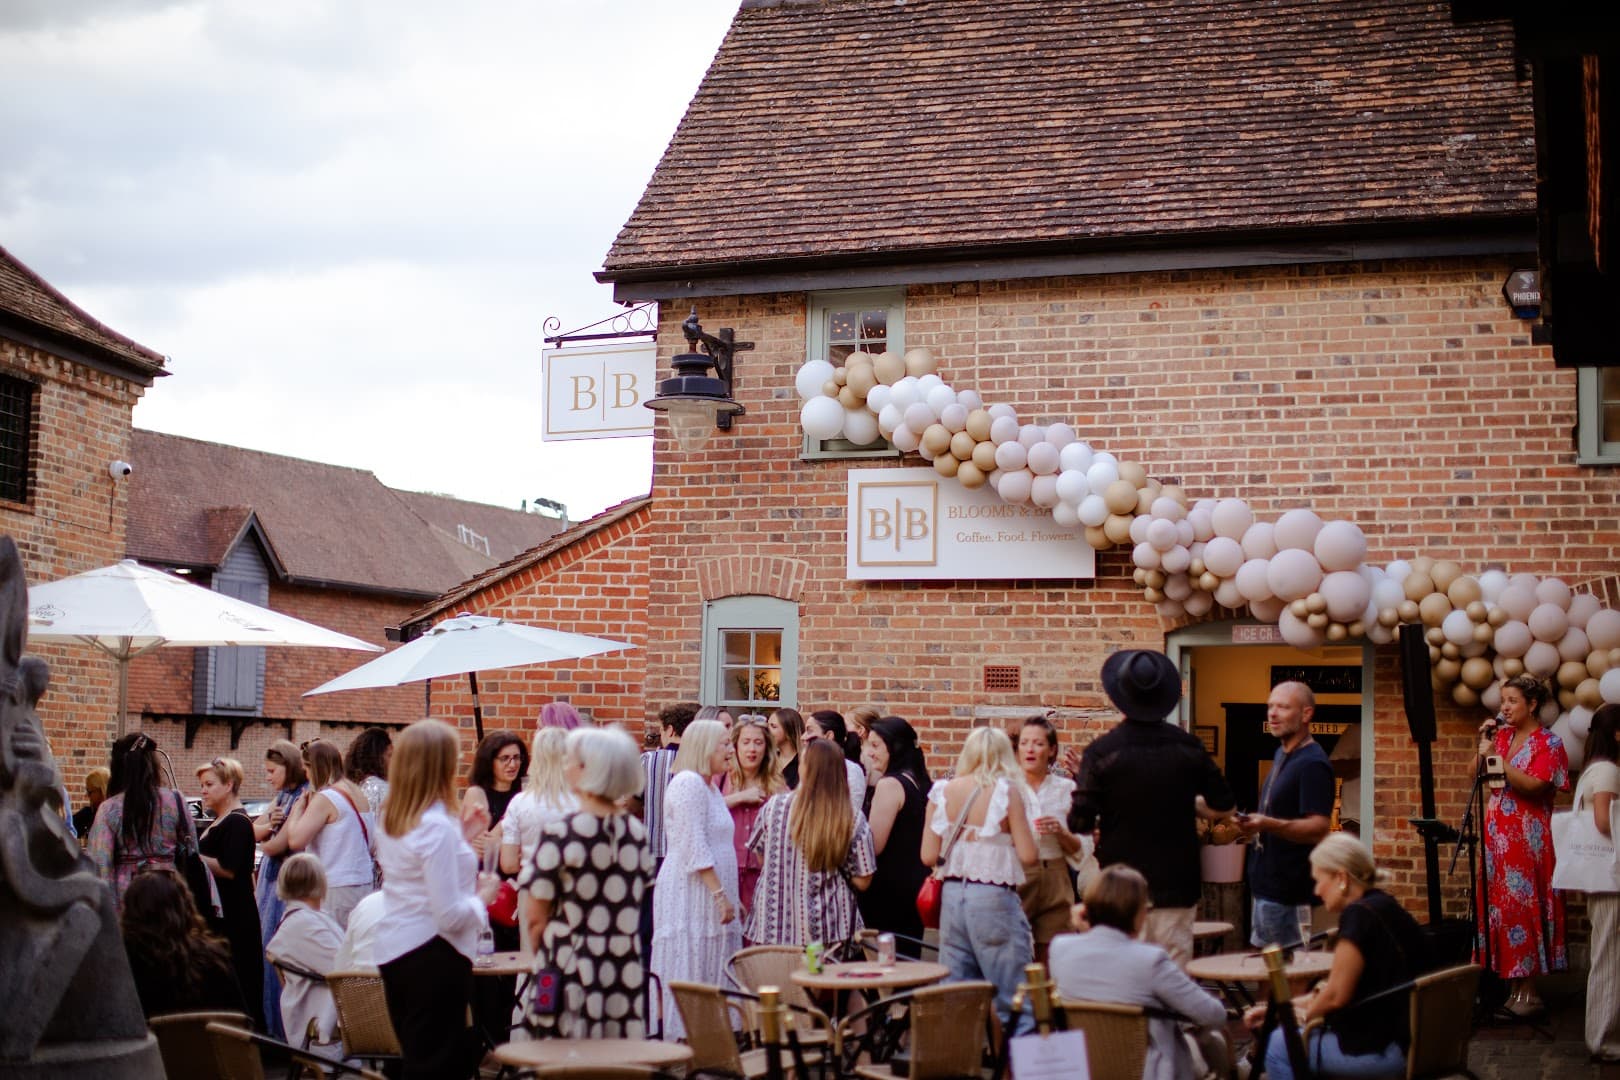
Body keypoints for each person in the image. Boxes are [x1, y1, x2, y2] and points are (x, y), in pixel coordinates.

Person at [1072, 650, 1236, 965]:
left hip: (1119, 887)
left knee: (1123, 980)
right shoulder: (1188, 747)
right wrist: (1188, 803)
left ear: (1120, 697)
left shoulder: (1101, 753)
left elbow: (1079, 820)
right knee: (1172, 977)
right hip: (1176, 883)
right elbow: (1224, 802)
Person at [1246, 833, 1433, 1080]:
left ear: (1342, 878)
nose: (1316, 891)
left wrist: (1292, 1017)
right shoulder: (1384, 905)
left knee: (1279, 1044)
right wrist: (1280, 1010)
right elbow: (1340, 991)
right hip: (1415, 1044)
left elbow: (1335, 996)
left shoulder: (1358, 916)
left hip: (1384, 1053)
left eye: (1318, 880)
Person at [373, 719, 500, 1080]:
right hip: (434, 954)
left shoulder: (394, 818)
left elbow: (417, 870)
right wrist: (482, 898)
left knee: (418, 1055)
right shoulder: (435, 826)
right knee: (439, 1065)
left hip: (398, 950)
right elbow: (448, 914)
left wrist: (463, 834)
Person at [517, 725, 653, 1039]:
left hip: (568, 966)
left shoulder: (561, 833)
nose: (564, 767)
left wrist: (547, 958)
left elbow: (535, 918)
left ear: (589, 770)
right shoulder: (636, 834)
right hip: (622, 968)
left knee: (559, 1058)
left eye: (571, 761)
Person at [1050, 866, 1228, 1080]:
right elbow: (1214, 1015)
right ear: (1138, 913)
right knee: (1215, 1040)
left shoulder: (1060, 949)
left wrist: (1087, 926)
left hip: (1084, 1069)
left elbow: (1102, 955)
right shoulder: (1150, 961)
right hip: (1145, 1071)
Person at [923, 725, 1039, 1035]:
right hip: (993, 897)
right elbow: (1029, 856)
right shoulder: (1006, 791)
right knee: (1016, 1001)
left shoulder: (942, 791)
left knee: (957, 998)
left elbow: (927, 855)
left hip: (951, 897)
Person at [1476, 673, 1569, 1015]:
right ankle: (1511, 986)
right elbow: (1479, 775)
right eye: (1503, 701)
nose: (1505, 707)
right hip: (1496, 835)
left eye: (1512, 701)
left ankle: (1529, 991)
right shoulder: (1501, 738)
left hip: (1527, 837)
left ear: (1532, 705)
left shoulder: (1549, 743)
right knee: (1501, 907)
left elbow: (1534, 785)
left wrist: (1499, 762)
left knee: (1523, 906)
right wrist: (1483, 745)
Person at [650, 718, 740, 1040]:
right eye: (725, 744)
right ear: (704, 747)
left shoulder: (709, 786)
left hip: (709, 888)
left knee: (710, 960)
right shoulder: (687, 783)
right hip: (692, 890)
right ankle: (686, 1037)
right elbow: (694, 843)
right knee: (692, 957)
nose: (731, 750)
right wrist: (719, 894)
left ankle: (711, 1038)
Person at [745, 739, 876, 947]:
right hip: (829, 928)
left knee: (776, 979)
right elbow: (863, 879)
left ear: (804, 769)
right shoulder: (851, 817)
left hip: (773, 926)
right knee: (823, 979)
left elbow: (761, 855)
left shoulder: (774, 807)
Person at [1238, 680, 1334, 949]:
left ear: (1306, 714)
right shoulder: (1281, 753)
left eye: (1283, 707)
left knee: (1289, 974)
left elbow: (1318, 827)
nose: (1272, 713)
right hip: (1266, 886)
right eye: (1270, 706)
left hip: (1291, 892)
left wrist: (1267, 824)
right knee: (1267, 972)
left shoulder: (1313, 763)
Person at [87, 731, 198, 913]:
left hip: (127, 896)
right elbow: (192, 848)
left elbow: (100, 864)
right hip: (169, 893)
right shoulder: (175, 800)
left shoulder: (110, 809)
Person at [121, 867, 246, 1020]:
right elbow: (240, 1020)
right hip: (207, 1042)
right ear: (185, 907)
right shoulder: (214, 961)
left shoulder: (122, 965)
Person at [195, 756, 265, 1028]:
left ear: (229, 785)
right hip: (226, 913)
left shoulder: (237, 822)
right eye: (202, 785)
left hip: (235, 915)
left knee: (239, 979)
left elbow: (231, 868)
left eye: (209, 784)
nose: (203, 790)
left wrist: (195, 857)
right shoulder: (222, 820)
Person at [858, 715, 931, 955]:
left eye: (876, 745)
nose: (870, 752)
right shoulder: (919, 782)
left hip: (889, 892)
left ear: (895, 747)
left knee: (886, 965)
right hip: (913, 886)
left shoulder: (890, 785)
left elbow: (874, 845)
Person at [254, 738, 310, 1040]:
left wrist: (265, 834)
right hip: (269, 879)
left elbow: (277, 844)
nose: (267, 777)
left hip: (284, 883)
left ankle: (281, 1030)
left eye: (271, 771)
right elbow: (254, 828)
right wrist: (267, 825)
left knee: (275, 950)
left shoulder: (301, 796)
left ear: (288, 768)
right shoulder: (281, 799)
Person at [285, 740, 376, 928]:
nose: (307, 775)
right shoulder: (357, 793)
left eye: (307, 770)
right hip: (363, 882)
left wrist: (297, 810)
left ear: (315, 767)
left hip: (334, 886)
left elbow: (295, 840)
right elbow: (373, 844)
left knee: (330, 949)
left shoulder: (326, 798)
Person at [1016, 716, 1083, 964]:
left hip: (1055, 872)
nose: (1030, 749)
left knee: (1052, 955)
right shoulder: (1007, 787)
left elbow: (1079, 850)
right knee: (1015, 953)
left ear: (1052, 749)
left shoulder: (1065, 789)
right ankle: (1018, 1004)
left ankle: (1048, 1003)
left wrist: (1060, 832)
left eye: (1038, 743)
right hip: (1017, 873)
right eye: (1024, 743)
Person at [633, 701, 696, 957]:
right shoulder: (698, 764)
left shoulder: (648, 760)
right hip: (687, 855)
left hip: (653, 849)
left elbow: (634, 799)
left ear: (669, 730)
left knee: (649, 923)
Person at [265, 852, 344, 1054]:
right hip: (328, 1017)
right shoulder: (306, 925)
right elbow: (344, 968)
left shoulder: (304, 920)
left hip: (327, 1008)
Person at [1578, 703, 1620, 1060]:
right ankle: (1603, 1042)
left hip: (1603, 877)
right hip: (1610, 877)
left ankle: (1604, 1036)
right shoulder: (1608, 771)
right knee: (1608, 956)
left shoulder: (1595, 767)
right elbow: (1606, 823)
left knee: (1606, 953)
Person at [719, 714, 784, 920]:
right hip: (725, 872)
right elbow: (702, 810)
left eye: (758, 743)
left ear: (767, 748)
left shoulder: (777, 786)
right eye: (746, 742)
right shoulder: (720, 778)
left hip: (762, 876)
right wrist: (738, 798)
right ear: (735, 746)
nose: (752, 749)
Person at [500, 726, 578, 876]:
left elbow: (508, 865)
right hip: (573, 889)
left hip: (531, 886)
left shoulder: (519, 802)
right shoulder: (583, 803)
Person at [462, 730, 530, 867]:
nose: (513, 765)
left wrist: (498, 842)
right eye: (504, 758)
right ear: (489, 761)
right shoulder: (477, 794)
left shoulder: (525, 794)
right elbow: (482, 850)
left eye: (517, 757)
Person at [806, 710, 867, 814]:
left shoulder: (851, 770)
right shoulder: (809, 764)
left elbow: (852, 813)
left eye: (810, 731)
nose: (804, 737)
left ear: (829, 735)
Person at [335, 889, 387, 973]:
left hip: (362, 981)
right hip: (365, 981)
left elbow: (341, 966)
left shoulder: (370, 902)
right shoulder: (370, 902)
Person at [345, 727, 392, 814]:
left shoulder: (349, 787)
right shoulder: (383, 789)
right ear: (377, 758)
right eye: (389, 755)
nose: (393, 761)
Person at [769, 707, 806, 789]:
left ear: (788, 730)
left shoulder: (803, 762)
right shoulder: (768, 759)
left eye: (773, 726)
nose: (767, 730)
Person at [71, 766, 109, 837]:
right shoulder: (86, 814)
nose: (87, 795)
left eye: (90, 792)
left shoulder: (116, 815)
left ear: (102, 790)